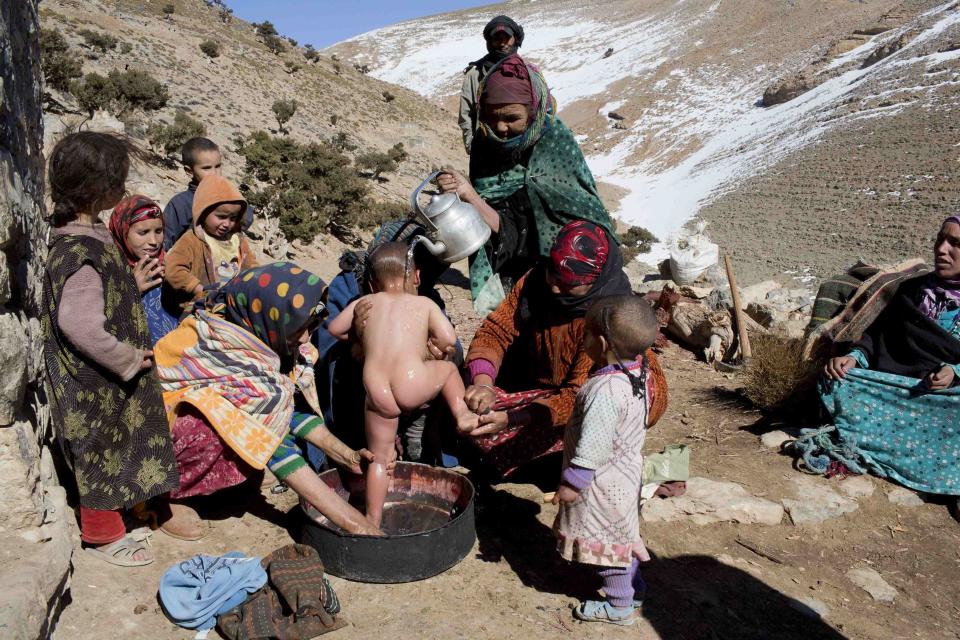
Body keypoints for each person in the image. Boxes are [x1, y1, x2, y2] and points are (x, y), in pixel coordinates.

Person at [154, 262, 385, 538]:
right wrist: (357, 525)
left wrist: (346, 456)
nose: (305, 337)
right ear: (272, 316)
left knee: (251, 429)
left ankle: (211, 488)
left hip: (185, 432)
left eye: (309, 326)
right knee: (220, 431)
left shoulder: (264, 338)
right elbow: (274, 444)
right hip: (154, 449)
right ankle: (162, 498)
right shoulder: (227, 351)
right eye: (298, 328)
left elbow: (287, 409)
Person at [41, 131, 179, 567]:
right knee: (98, 450)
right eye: (118, 177)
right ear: (98, 187)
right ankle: (102, 534)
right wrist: (125, 357)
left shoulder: (90, 236)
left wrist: (129, 286)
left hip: (104, 378)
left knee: (119, 444)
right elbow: (78, 322)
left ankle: (120, 516)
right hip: (93, 381)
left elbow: (101, 297)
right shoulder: (80, 250)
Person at [459, 220, 668, 478]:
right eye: (552, 274)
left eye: (568, 283)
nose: (554, 287)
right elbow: (496, 330)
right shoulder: (536, 281)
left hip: (587, 401)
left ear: (596, 281)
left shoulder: (605, 323)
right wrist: (484, 383)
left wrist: (514, 419)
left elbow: (576, 397)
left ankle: (567, 464)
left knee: (579, 438)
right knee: (459, 393)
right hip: (545, 388)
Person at [439, 53, 615, 315]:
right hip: (511, 260)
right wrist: (468, 195)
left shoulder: (555, 141)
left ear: (533, 111)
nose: (500, 127)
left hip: (571, 277)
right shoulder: (484, 145)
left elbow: (579, 213)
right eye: (490, 116)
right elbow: (502, 222)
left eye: (511, 118)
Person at [328, 242, 478, 526]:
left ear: (372, 284)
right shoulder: (424, 303)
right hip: (412, 383)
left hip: (376, 390)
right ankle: (463, 415)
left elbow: (334, 329)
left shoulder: (363, 304)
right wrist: (428, 348)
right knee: (446, 370)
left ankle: (371, 519)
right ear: (417, 277)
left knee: (379, 459)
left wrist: (360, 337)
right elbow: (447, 339)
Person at [815, 216, 960, 506]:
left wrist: (954, 371)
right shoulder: (912, 291)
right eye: (939, 240)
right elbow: (878, 338)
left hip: (946, 399)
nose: (941, 250)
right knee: (835, 380)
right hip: (898, 390)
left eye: (955, 243)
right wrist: (854, 358)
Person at [317, 220, 463, 467]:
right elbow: (326, 339)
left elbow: (448, 343)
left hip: (407, 384)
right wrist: (357, 340)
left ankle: (419, 432)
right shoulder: (349, 288)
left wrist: (434, 351)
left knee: (448, 363)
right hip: (359, 389)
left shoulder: (426, 296)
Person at [552, 295, 658, 626]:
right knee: (623, 533)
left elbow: (594, 443)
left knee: (608, 545)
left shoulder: (605, 390)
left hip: (601, 483)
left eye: (584, 335)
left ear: (600, 342)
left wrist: (574, 482)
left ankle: (619, 605)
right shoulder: (640, 373)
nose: (581, 340)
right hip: (625, 473)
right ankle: (634, 586)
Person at [165, 174, 256, 313]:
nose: (227, 224)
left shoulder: (238, 241)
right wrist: (198, 289)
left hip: (231, 307)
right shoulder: (192, 240)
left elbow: (252, 267)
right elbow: (173, 268)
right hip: (198, 308)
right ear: (203, 211)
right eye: (221, 217)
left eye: (233, 218)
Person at [109, 195, 179, 344]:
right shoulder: (109, 268)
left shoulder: (169, 263)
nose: (154, 242)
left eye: (159, 231)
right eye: (143, 232)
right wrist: (131, 289)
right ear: (123, 231)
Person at [163, 137, 253, 250]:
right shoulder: (181, 203)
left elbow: (247, 218)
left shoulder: (229, 196)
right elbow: (165, 241)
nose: (215, 173)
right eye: (206, 168)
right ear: (189, 171)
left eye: (218, 166)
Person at [458, 15, 524, 154]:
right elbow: (466, 114)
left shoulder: (527, 72)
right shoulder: (475, 75)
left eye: (506, 38)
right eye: (496, 39)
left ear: (515, 39)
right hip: (486, 149)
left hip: (522, 147)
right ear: (489, 42)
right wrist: (472, 146)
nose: (502, 43)